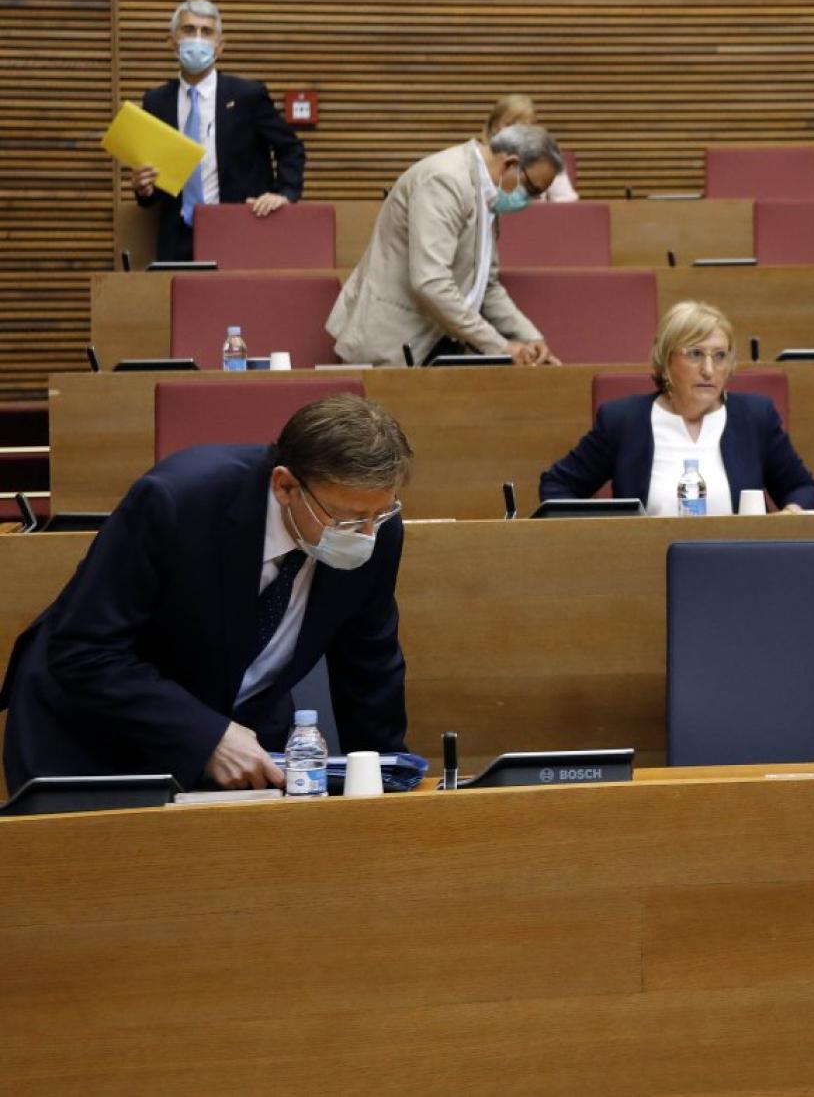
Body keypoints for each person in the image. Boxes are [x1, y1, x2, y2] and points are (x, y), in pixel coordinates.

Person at [0, 395, 415, 793]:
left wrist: (387, 779)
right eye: (347, 517)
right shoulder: (179, 501)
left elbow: (369, 666)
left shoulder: (377, 533)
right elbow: (83, 650)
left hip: (244, 746)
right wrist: (206, 736)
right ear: (285, 486)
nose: (365, 533)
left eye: (381, 513)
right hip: (95, 742)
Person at [539, 301, 814, 514]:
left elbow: (801, 487)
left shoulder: (755, 417)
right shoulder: (623, 421)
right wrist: (604, 535)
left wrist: (792, 512)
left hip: (740, 572)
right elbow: (557, 487)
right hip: (646, 572)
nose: (709, 370)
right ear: (666, 359)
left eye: (720, 357)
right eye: (695, 354)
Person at [327, 121, 564, 366]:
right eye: (532, 189)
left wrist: (530, 338)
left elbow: (487, 287)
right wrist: (501, 346)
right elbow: (431, 282)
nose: (531, 201)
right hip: (393, 344)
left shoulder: (488, 192)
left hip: (439, 344)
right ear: (511, 164)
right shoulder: (446, 180)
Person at [132, 0, 307, 262]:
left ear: (220, 46)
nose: (197, 38)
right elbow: (153, 187)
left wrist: (283, 194)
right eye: (189, 30)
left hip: (239, 230)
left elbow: (290, 148)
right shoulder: (156, 101)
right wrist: (144, 188)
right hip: (178, 238)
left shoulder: (248, 95)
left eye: (207, 32)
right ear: (172, 43)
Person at [484, 94, 579, 201]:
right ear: (494, 126)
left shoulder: (549, 159)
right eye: (510, 125)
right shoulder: (478, 160)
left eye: (525, 126)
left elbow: (566, 202)